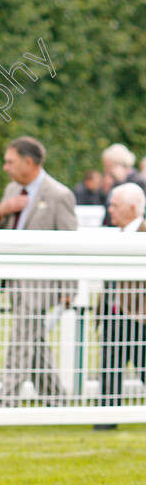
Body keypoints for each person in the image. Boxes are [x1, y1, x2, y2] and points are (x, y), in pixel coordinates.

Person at [0, 136, 77, 407]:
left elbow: (71, 245)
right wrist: (2, 211)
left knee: (21, 337)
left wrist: (69, 289)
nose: (5, 167)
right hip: (13, 280)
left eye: (10, 161)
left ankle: (6, 401)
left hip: (41, 283)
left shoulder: (59, 195)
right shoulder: (11, 190)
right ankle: (56, 399)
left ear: (29, 162)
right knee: (34, 338)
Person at [94, 183, 146, 430]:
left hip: (139, 319)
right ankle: (106, 420)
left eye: (115, 205)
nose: (110, 210)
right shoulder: (115, 234)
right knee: (109, 368)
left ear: (133, 208)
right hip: (114, 315)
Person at [102, 143, 146, 225]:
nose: (107, 170)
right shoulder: (116, 181)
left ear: (118, 164)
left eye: (109, 166)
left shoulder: (137, 181)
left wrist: (120, 182)